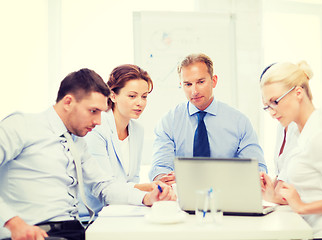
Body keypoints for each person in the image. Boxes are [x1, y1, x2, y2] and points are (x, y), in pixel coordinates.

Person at [0, 68, 175, 240]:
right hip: (33, 232)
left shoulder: (77, 143)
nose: (98, 121)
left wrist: (146, 197)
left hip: (74, 231)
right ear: (68, 102)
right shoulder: (21, 126)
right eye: (93, 111)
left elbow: (104, 186)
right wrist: (14, 223)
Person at [259, 61, 322, 238]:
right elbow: (311, 190)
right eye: (268, 106)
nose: (272, 112)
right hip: (310, 229)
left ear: (298, 92)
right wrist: (272, 194)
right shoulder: (299, 135)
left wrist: (303, 207)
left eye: (275, 102)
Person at [149, 53, 267, 184]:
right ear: (181, 85)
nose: (194, 91)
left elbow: (257, 170)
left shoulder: (239, 122)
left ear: (214, 81)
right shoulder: (169, 122)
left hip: (227, 196)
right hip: (181, 196)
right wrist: (165, 179)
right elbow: (159, 169)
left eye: (200, 82)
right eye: (188, 84)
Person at [79, 64, 161, 221]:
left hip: (121, 212)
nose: (140, 103)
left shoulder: (137, 131)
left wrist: (152, 188)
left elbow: (132, 180)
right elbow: (105, 188)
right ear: (113, 95)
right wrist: (148, 191)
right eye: (132, 96)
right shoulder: (97, 128)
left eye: (144, 96)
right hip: (93, 217)